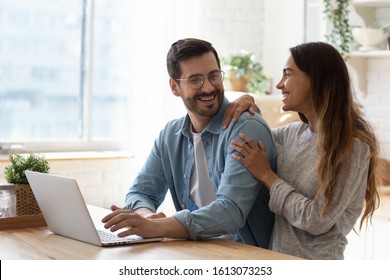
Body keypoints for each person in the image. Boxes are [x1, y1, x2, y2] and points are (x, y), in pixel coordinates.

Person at [102, 38, 277, 248]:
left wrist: (159, 228)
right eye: (195, 80)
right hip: (194, 250)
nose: (208, 87)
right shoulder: (170, 135)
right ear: (174, 87)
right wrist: (146, 217)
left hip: (247, 257)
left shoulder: (244, 127)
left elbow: (231, 212)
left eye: (214, 76)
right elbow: (140, 192)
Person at [226, 41, 381, 259]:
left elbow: (317, 220)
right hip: (277, 260)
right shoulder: (292, 134)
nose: (279, 84)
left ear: (317, 79)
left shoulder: (354, 147)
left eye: (288, 74)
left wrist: (267, 176)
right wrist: (248, 101)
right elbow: (257, 136)